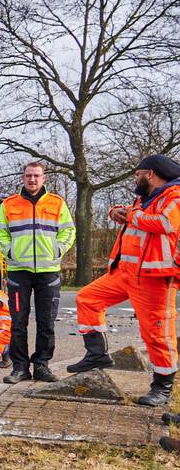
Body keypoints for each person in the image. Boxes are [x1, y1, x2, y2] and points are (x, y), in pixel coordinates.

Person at [68, 154, 180, 407]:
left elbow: (165, 223)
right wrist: (115, 211)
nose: (135, 178)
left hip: (155, 278)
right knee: (87, 298)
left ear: (150, 174)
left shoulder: (175, 196)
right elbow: (135, 215)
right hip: (124, 273)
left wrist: (130, 214)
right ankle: (97, 355)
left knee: (156, 334)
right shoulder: (145, 198)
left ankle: (162, 388)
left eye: (138, 173)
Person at [0, 161, 76, 383]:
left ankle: (42, 365)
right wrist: (9, 251)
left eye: (36, 176)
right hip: (18, 271)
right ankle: (20, 368)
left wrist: (57, 249)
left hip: (48, 271)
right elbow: (0, 233)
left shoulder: (57, 203)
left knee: (46, 322)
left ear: (44, 178)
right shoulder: (9, 204)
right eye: (29, 175)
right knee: (18, 322)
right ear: (23, 177)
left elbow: (68, 231)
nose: (32, 179)